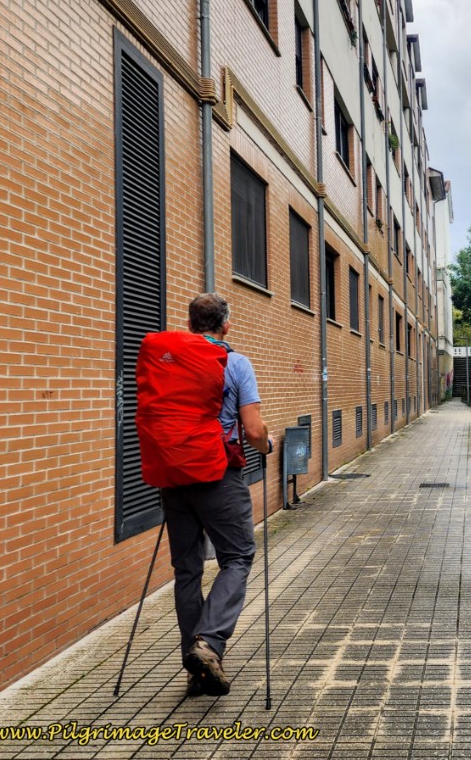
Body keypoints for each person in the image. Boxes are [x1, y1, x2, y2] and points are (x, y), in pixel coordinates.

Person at [161, 293, 273, 697]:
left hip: (174, 476)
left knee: (187, 570)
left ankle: (196, 669)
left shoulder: (171, 361)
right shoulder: (235, 362)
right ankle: (208, 644)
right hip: (218, 475)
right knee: (238, 557)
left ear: (191, 325)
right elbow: (255, 431)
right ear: (225, 325)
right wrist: (267, 447)